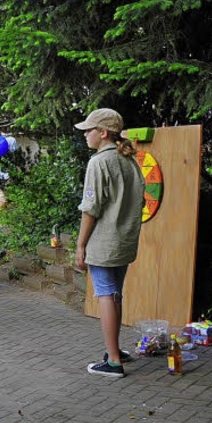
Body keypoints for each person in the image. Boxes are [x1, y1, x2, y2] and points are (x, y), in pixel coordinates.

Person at [73, 108, 145, 378]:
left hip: (104, 241)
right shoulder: (128, 159)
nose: (85, 135)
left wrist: (80, 245)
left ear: (103, 133)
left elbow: (90, 209)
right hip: (125, 239)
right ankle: (115, 349)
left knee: (105, 294)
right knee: (115, 294)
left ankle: (113, 361)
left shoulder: (99, 162)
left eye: (89, 130)